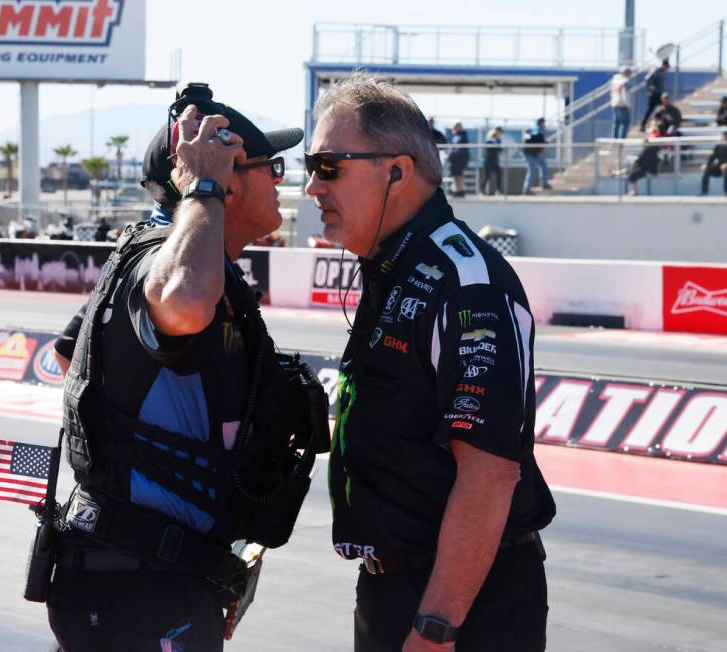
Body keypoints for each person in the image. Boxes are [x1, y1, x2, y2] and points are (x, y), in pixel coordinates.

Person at [47, 85, 327, 652]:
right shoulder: (168, 264)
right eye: (268, 166)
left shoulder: (159, 254)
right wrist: (202, 187)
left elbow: (68, 352)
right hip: (138, 587)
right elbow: (185, 304)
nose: (281, 179)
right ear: (223, 177)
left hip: (155, 576)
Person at [305, 73, 555, 652]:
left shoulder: (466, 281)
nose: (313, 187)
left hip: (461, 611)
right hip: (396, 591)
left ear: (397, 170)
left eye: (329, 166)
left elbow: (490, 474)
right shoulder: (393, 266)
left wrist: (435, 629)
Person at [628, 123, 663, 196]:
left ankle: (635, 192)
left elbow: (642, 161)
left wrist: (637, 162)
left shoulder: (648, 151)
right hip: (646, 168)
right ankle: (634, 191)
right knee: (633, 170)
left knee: (633, 174)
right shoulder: (648, 150)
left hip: (649, 170)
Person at [522, 118, 550, 194]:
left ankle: (544, 183)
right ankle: (526, 190)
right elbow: (530, 139)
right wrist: (543, 143)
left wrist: (543, 143)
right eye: (543, 123)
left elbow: (535, 139)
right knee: (532, 171)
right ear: (541, 123)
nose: (544, 125)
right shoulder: (535, 130)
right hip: (530, 153)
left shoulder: (535, 130)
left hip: (535, 153)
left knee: (543, 165)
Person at [641, 60, 669, 130]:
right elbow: (647, 79)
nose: (667, 69)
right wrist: (650, 90)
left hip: (660, 95)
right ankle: (643, 125)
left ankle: (661, 124)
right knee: (650, 110)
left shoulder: (662, 73)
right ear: (664, 66)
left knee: (662, 109)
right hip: (654, 94)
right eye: (666, 67)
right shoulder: (656, 71)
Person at [699, 130, 727, 196]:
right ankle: (704, 192)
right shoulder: (719, 146)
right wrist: (706, 165)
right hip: (719, 167)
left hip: (725, 168)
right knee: (707, 170)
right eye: (724, 136)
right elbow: (712, 157)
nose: (725, 138)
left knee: (726, 170)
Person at [447, 122, 469, 198]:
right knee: (455, 174)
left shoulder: (462, 135)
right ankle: (457, 190)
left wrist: (453, 155)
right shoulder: (457, 136)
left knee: (458, 174)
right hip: (455, 158)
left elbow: (460, 148)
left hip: (460, 158)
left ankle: (460, 190)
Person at [610, 67, 632, 139]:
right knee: (625, 123)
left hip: (615, 103)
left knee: (616, 123)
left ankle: (614, 139)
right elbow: (624, 93)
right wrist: (628, 104)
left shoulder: (615, 80)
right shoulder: (625, 81)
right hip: (622, 104)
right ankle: (622, 140)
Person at [480, 127, 502, 195]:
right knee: (487, 176)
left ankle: (498, 190)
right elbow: (490, 150)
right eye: (494, 134)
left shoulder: (498, 141)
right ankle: (482, 190)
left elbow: (500, 150)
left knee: (499, 174)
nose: (495, 136)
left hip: (495, 161)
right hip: (488, 161)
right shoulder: (488, 141)